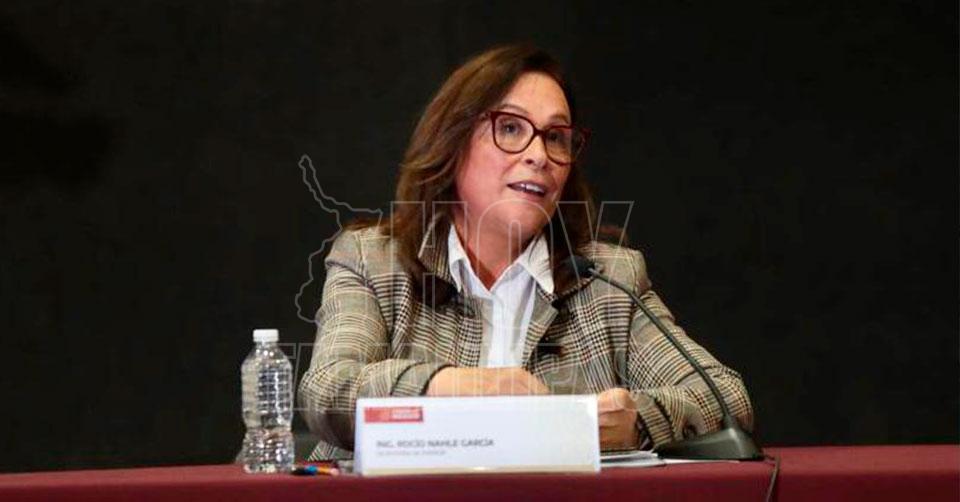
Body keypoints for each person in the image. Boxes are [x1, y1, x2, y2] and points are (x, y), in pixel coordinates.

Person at [298, 44, 754, 461]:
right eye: (511, 128)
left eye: (556, 137)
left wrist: (637, 421)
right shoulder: (374, 260)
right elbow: (328, 390)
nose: (539, 155)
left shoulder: (606, 278)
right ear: (452, 141)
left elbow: (726, 397)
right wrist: (455, 386)